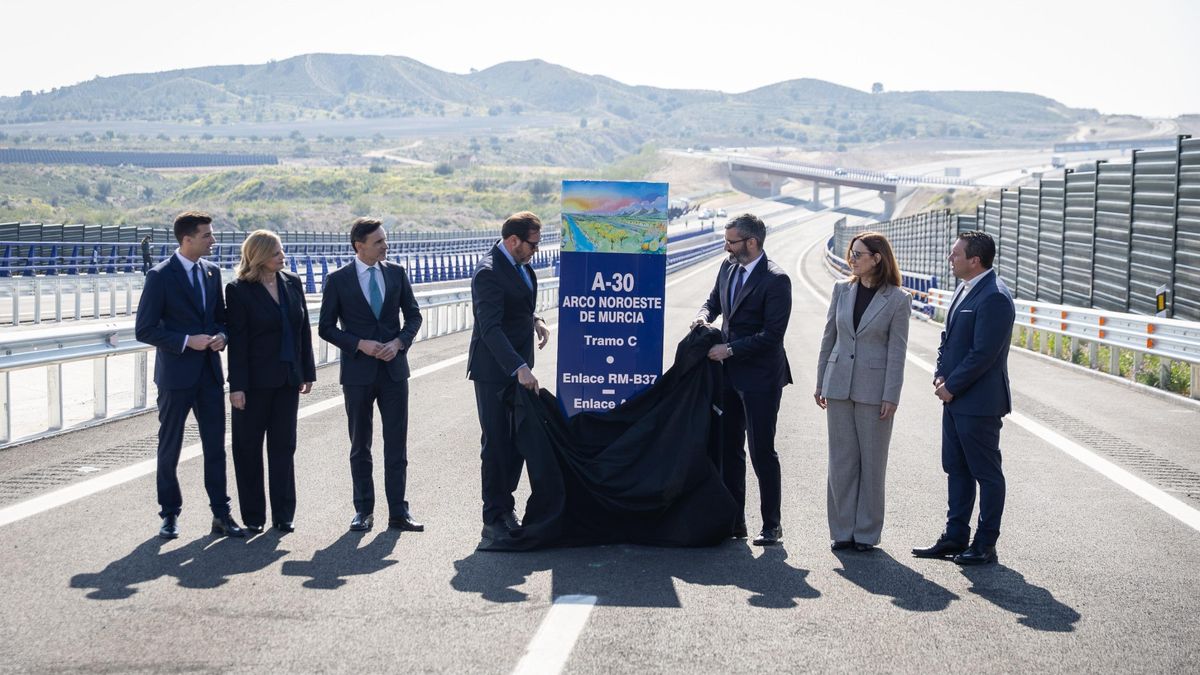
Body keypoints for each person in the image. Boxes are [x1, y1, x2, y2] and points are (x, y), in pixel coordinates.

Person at [134, 211, 244, 540]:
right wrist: (185, 341)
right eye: (208, 235)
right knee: (170, 448)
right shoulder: (159, 276)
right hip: (175, 377)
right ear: (187, 239)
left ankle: (221, 514)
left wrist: (222, 336)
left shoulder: (212, 273)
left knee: (216, 447)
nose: (214, 240)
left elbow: (221, 319)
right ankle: (169, 514)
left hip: (209, 375)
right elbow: (145, 329)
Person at [912, 230, 1015, 566]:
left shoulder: (995, 296)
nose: (950, 258)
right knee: (956, 468)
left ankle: (985, 543)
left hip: (979, 402)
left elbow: (984, 353)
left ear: (975, 260)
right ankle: (955, 536)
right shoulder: (964, 288)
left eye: (955, 254)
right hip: (954, 398)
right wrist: (940, 374)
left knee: (986, 473)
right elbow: (948, 339)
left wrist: (952, 385)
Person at [692, 213, 792, 546]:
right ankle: (735, 520)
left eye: (731, 241)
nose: (725, 246)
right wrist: (703, 316)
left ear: (752, 242)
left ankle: (771, 524)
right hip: (728, 377)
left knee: (762, 450)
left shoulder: (776, 280)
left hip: (761, 378)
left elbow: (772, 335)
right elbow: (713, 302)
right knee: (729, 448)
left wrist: (730, 350)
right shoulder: (727, 268)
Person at [318, 217, 423, 533]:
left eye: (385, 240)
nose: (385, 246)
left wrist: (399, 342)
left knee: (396, 445)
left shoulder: (396, 273)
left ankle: (398, 513)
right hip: (357, 374)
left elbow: (414, 316)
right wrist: (358, 344)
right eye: (378, 242)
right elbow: (325, 327)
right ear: (359, 245)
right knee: (360, 445)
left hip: (393, 372)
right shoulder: (338, 280)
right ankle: (363, 511)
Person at [814, 232, 910, 552]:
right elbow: (829, 338)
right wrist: (820, 382)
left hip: (874, 391)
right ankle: (842, 531)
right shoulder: (841, 290)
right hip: (838, 384)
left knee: (872, 463)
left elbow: (897, 352)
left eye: (858, 254)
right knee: (840, 462)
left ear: (877, 258)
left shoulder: (897, 299)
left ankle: (866, 533)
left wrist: (891, 395)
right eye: (850, 253)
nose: (851, 259)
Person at [225, 230, 316, 535]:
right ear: (260, 256)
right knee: (247, 450)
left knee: (283, 448)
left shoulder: (292, 282)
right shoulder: (238, 290)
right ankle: (253, 515)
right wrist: (235, 386)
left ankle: (284, 514)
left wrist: (307, 372)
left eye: (282, 251)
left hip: (287, 380)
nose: (283, 256)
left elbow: (303, 330)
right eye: (276, 252)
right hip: (253, 384)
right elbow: (238, 342)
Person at [467, 211, 550, 543]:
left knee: (516, 442)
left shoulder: (522, 267)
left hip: (519, 370)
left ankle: (506, 506)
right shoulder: (488, 273)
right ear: (513, 241)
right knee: (496, 443)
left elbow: (518, 307)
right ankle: (493, 515)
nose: (535, 251)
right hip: (495, 372)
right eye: (532, 245)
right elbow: (490, 327)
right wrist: (518, 367)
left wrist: (537, 320)